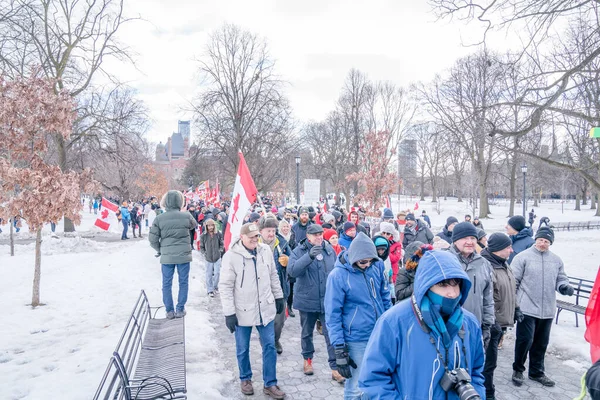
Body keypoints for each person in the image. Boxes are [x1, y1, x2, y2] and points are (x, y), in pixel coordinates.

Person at [358, 250, 486, 399]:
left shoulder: (469, 323)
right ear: (426, 285)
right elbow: (373, 379)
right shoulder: (394, 322)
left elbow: (477, 372)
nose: (451, 293)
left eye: (456, 283)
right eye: (442, 284)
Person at [220, 222, 286, 399]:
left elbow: (273, 275)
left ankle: (270, 383)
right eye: (251, 237)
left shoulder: (264, 251)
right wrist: (229, 313)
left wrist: (278, 296)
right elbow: (225, 286)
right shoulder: (231, 256)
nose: (255, 240)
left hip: (265, 308)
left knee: (270, 346)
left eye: (256, 236)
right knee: (243, 348)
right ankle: (245, 378)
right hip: (242, 310)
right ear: (242, 237)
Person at [325, 233, 392, 399]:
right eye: (363, 261)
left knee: (377, 379)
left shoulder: (376, 267)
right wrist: (339, 347)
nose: (367, 264)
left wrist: (389, 323)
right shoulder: (338, 276)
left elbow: (385, 297)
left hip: (378, 333)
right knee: (356, 385)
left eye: (370, 260)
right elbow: (333, 315)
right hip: (356, 338)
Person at [511, 227, 574, 388]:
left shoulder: (556, 260)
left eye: (546, 241)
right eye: (540, 240)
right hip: (526, 307)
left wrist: (564, 287)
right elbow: (514, 282)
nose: (542, 243)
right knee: (525, 341)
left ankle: (536, 372)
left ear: (550, 243)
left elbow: (561, 278)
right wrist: (514, 305)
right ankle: (518, 369)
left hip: (547, 309)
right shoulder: (522, 257)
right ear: (535, 240)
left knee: (541, 343)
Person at [288, 224, 343, 383]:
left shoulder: (328, 249)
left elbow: (336, 271)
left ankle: (335, 368)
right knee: (307, 333)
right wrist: (309, 257)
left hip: (327, 300)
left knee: (330, 334)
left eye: (321, 234)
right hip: (307, 300)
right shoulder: (299, 251)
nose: (319, 237)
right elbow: (292, 272)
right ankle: (308, 360)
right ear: (308, 236)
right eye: (315, 235)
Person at [480, 233, 520, 400]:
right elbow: (486, 297)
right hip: (490, 324)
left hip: (499, 323)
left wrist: (516, 309)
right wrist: (492, 321)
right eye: (507, 247)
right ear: (496, 250)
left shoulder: (504, 264)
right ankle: (487, 393)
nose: (511, 250)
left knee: (492, 361)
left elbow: (510, 289)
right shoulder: (486, 266)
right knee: (487, 363)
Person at [149, 190, 198, 319]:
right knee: (183, 282)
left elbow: (152, 239)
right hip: (183, 256)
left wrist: (160, 249)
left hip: (167, 257)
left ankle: (169, 311)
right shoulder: (186, 216)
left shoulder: (159, 218)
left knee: (166, 283)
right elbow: (194, 225)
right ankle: (180, 308)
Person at [448, 222, 495, 349]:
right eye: (465, 238)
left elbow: (487, 297)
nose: (469, 242)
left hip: (475, 325)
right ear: (455, 240)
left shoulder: (483, 264)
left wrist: (487, 325)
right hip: (449, 327)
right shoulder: (445, 260)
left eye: (473, 238)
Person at [258, 216, 291, 355]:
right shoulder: (255, 245)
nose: (271, 234)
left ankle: (276, 339)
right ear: (261, 231)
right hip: (261, 291)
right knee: (264, 321)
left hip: (280, 289)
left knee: (279, 321)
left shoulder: (282, 244)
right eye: (268, 231)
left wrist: (288, 262)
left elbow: (294, 264)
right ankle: (267, 344)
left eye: (273, 230)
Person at [200, 219, 224, 298]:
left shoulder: (218, 234)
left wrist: (220, 250)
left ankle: (215, 286)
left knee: (217, 273)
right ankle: (209, 289)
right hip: (208, 258)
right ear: (206, 226)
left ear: (214, 226)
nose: (210, 227)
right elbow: (201, 246)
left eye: (212, 225)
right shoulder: (203, 235)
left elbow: (221, 244)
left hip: (217, 257)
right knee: (209, 274)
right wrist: (204, 253)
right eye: (209, 226)